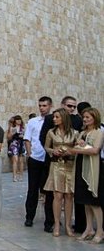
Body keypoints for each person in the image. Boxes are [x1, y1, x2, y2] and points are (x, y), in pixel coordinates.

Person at [39, 95, 83, 233]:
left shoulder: (75, 133)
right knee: (57, 195)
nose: (54, 119)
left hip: (70, 165)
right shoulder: (51, 132)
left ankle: (69, 225)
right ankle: (56, 224)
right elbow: (46, 147)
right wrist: (54, 151)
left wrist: (71, 150)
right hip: (56, 165)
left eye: (57, 117)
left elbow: (79, 148)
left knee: (69, 196)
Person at [69, 108, 104, 243]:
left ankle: (100, 231)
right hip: (81, 166)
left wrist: (83, 147)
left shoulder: (99, 133)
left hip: (92, 169)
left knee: (94, 201)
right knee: (85, 201)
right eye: (84, 117)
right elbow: (75, 146)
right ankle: (89, 228)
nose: (85, 119)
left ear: (94, 118)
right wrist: (78, 145)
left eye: (88, 117)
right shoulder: (82, 132)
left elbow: (95, 150)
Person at [23, 96, 53, 228]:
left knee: (49, 191)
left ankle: (49, 220)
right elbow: (27, 139)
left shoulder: (54, 121)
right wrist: (30, 154)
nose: (42, 108)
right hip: (35, 158)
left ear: (50, 106)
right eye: (40, 105)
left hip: (49, 160)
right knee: (32, 189)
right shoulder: (33, 122)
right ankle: (29, 217)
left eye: (45, 105)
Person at [7, 115, 26, 182]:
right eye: (17, 120)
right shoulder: (12, 128)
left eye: (20, 119)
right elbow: (8, 137)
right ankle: (14, 176)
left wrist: (23, 136)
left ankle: (21, 175)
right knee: (15, 160)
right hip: (14, 143)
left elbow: (26, 136)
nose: (19, 121)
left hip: (21, 143)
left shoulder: (23, 128)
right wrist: (12, 133)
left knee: (21, 161)